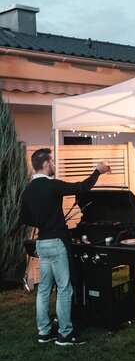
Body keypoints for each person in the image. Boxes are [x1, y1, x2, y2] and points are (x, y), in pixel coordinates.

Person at [20, 148, 107, 346]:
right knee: (64, 288)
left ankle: (44, 332)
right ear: (45, 163)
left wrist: (44, 222)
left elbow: (25, 218)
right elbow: (82, 188)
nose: (54, 165)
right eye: (52, 162)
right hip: (57, 243)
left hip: (42, 244)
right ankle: (65, 334)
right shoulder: (52, 186)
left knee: (43, 290)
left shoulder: (28, 190)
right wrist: (97, 172)